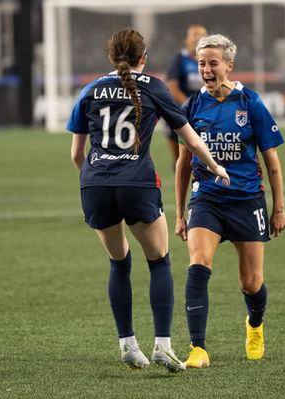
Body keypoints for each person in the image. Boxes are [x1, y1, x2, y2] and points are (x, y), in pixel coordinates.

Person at [67, 29, 229, 372]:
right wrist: (215, 166)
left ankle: (127, 345)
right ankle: (163, 347)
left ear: (110, 57)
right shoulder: (154, 87)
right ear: (145, 57)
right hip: (137, 184)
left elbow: (76, 154)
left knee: (118, 262)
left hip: (95, 185)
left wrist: (95, 178)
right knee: (159, 261)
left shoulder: (90, 90)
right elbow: (191, 140)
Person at [174, 34, 285, 367]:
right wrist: (180, 213)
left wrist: (278, 208)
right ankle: (198, 348)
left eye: (213, 63)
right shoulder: (193, 105)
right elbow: (183, 164)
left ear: (228, 65)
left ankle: (254, 325)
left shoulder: (250, 103)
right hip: (206, 198)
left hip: (246, 200)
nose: (207, 69)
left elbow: (272, 162)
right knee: (198, 265)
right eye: (201, 63)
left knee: (251, 283)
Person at [164, 25, 208, 168]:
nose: (198, 38)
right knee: (171, 123)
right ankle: (178, 160)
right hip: (184, 107)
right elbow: (172, 87)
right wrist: (190, 106)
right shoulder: (180, 60)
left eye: (201, 34)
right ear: (186, 40)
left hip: (208, 106)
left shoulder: (212, 58)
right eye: (194, 34)